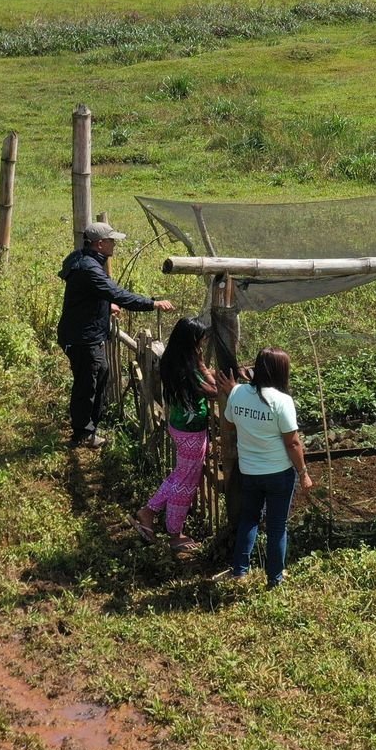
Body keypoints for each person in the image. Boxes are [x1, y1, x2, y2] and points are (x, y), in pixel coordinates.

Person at [56, 220, 174, 448]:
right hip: (83, 337)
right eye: (111, 241)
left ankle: (87, 428)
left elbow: (85, 292)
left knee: (99, 374)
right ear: (100, 244)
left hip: (80, 333)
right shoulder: (90, 269)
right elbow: (118, 294)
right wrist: (153, 303)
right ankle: (83, 433)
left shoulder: (81, 259)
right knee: (87, 383)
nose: (114, 245)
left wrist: (104, 305)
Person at [221, 347, 313, 587]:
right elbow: (292, 442)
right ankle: (275, 577)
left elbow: (230, 423)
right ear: (282, 372)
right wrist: (303, 473)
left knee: (249, 519)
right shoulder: (282, 401)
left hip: (249, 471)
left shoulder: (238, 393)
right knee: (276, 525)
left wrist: (236, 396)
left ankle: (239, 571)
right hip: (278, 474)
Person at [136, 317, 229, 552]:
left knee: (180, 475)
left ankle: (147, 512)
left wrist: (206, 369)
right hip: (190, 432)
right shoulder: (183, 370)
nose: (203, 343)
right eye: (200, 340)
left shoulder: (179, 358)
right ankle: (174, 533)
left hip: (181, 427)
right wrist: (229, 386)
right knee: (185, 483)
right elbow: (211, 392)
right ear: (191, 341)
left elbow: (205, 373)